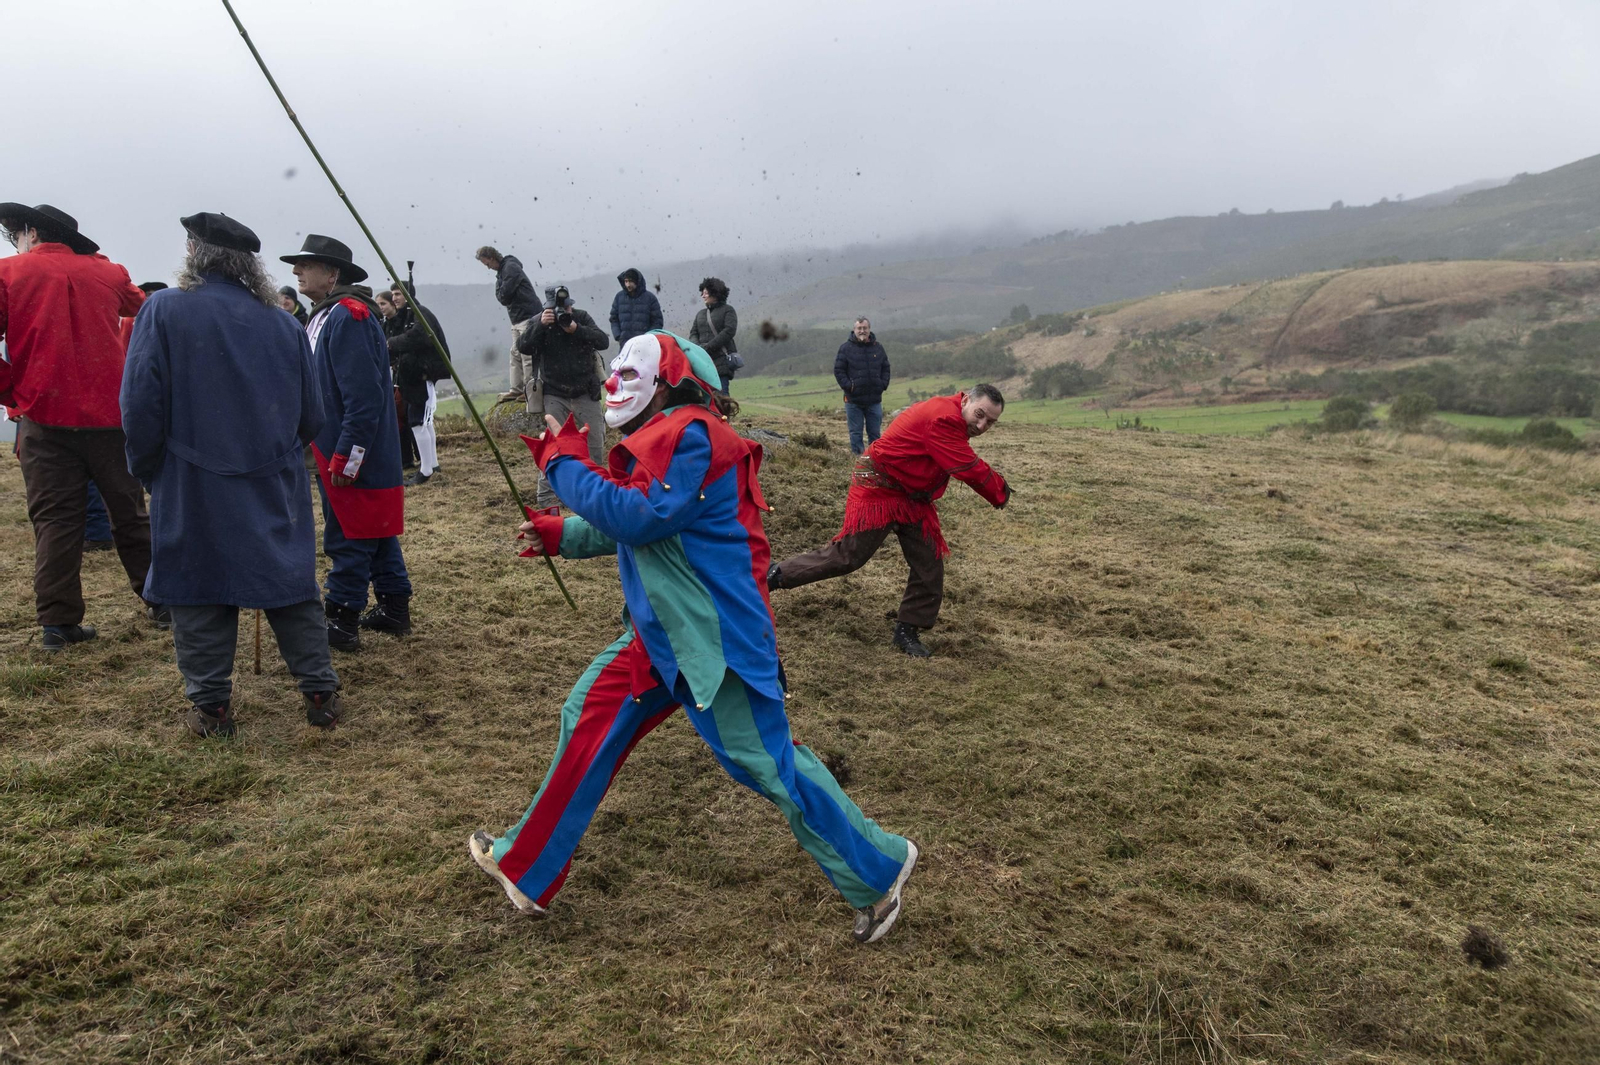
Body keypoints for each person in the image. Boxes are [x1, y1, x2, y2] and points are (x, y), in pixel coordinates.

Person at [469, 330, 918, 944]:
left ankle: (880, 870)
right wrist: (565, 534)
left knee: (766, 764)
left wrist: (563, 464)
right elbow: (648, 522)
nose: (612, 387)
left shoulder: (694, 434)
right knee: (591, 715)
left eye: (629, 375)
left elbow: (640, 515)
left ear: (672, 381)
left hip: (714, 644)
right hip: (660, 638)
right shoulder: (678, 440)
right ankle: (526, 865)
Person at [122, 212, 341, 737]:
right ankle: (319, 693)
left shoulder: (164, 311)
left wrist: (147, 468)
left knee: (198, 587)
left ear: (195, 252)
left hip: (191, 480)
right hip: (272, 479)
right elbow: (311, 416)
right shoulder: (284, 323)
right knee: (288, 583)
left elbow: (140, 404)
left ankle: (213, 709)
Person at [0, 202, 159, 651]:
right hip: (111, 418)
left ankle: (59, 624)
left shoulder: (9, 273)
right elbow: (141, 307)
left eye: (14, 234)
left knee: (55, 522)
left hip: (44, 419)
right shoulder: (107, 272)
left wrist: (13, 391)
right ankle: (160, 599)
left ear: (31, 232)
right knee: (130, 514)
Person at [768, 385, 1010, 658]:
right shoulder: (943, 418)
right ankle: (773, 576)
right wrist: (999, 491)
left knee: (929, 561)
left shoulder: (955, 417)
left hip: (912, 496)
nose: (981, 425)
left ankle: (908, 630)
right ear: (965, 400)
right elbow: (965, 466)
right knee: (849, 555)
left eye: (990, 422)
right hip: (879, 488)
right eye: (979, 414)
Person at [279, 234, 412, 650]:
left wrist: (348, 456)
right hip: (337, 445)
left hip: (355, 450)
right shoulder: (323, 315)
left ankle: (341, 619)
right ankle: (394, 608)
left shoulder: (348, 317)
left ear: (332, 273)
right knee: (375, 530)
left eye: (307, 264)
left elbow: (364, 397)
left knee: (350, 534)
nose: (297, 271)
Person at [515, 285, 607, 509]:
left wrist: (576, 328)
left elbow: (603, 341)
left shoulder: (581, 317)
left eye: (567, 307)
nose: (563, 312)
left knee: (595, 443)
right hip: (555, 393)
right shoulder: (540, 322)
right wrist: (539, 325)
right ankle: (547, 499)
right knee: (554, 445)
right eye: (558, 308)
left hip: (586, 390)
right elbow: (523, 347)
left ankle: (596, 494)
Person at [386, 280, 451, 486]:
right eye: (393, 294)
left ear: (408, 294)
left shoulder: (419, 313)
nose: (394, 298)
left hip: (422, 373)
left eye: (398, 294)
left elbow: (419, 337)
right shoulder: (410, 314)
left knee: (418, 420)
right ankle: (431, 464)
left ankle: (425, 470)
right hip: (415, 373)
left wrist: (391, 343)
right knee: (423, 420)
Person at [476, 245, 540, 409]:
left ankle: (528, 390)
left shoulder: (510, 268)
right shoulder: (502, 273)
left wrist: (500, 289)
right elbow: (501, 294)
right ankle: (516, 388)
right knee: (516, 352)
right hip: (517, 318)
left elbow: (504, 295)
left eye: (487, 263)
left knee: (527, 354)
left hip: (527, 316)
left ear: (491, 257)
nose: (488, 267)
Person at [376, 289, 419, 473]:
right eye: (378, 305)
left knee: (411, 417)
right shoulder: (384, 325)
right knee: (399, 417)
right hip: (395, 375)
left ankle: (420, 456)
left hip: (409, 375)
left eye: (383, 304)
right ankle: (406, 459)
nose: (381, 308)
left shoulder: (406, 320)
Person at [835, 317, 891, 455]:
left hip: (874, 400)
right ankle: (859, 463)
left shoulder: (878, 347)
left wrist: (882, 385)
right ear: (854, 330)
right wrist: (849, 387)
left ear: (869, 329)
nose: (862, 331)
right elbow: (838, 370)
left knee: (875, 435)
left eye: (864, 328)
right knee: (855, 434)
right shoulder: (845, 348)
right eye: (859, 328)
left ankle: (875, 462)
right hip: (853, 401)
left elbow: (886, 367)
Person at [687, 276, 740, 391]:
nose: (703, 295)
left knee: (721, 397)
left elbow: (729, 330)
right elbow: (693, 333)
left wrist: (708, 347)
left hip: (721, 360)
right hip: (702, 361)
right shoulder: (700, 314)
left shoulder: (728, 310)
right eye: (702, 292)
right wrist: (698, 348)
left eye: (706, 292)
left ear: (715, 293)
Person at [608, 267, 663, 348]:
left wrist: (648, 337)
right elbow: (613, 319)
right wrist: (618, 336)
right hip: (625, 345)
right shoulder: (619, 297)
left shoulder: (650, 298)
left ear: (637, 282)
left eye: (630, 281)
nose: (628, 284)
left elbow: (657, 321)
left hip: (646, 346)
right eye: (626, 281)